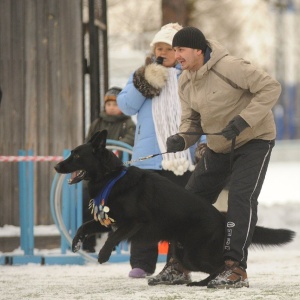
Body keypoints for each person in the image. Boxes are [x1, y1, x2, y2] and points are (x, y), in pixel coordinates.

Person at [163, 26, 281, 289]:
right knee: (188, 199)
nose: (177, 56)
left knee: (241, 197)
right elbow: (191, 122)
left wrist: (243, 121)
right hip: (218, 146)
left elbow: (271, 88)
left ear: (197, 49)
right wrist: (182, 139)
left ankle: (235, 269)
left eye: (181, 50)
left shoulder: (230, 67)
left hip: (254, 141)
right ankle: (178, 264)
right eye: (174, 50)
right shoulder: (185, 80)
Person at [117, 23, 197, 282]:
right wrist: (145, 80)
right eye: (158, 48)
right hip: (148, 156)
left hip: (181, 157)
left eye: (168, 48)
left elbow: (201, 114)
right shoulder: (141, 75)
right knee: (143, 212)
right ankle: (141, 262)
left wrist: (203, 145)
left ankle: (176, 263)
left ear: (179, 52)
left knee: (178, 213)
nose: (162, 52)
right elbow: (126, 106)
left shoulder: (190, 76)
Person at [82, 86, 136, 252]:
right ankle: (87, 242)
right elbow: (88, 144)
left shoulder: (128, 124)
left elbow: (129, 142)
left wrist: (110, 151)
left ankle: (113, 244)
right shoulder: (97, 123)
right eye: (109, 103)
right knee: (88, 205)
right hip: (96, 174)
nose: (112, 107)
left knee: (114, 209)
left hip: (115, 174)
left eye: (116, 103)